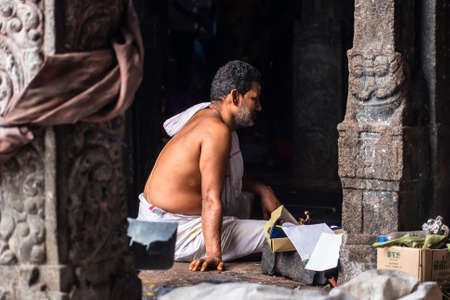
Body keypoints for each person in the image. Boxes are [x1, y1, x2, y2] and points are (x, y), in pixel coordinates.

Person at [137, 60, 281, 272]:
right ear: (234, 96)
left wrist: (261, 189)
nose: (259, 106)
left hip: (150, 225)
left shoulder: (202, 115)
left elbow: (219, 175)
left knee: (244, 199)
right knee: (281, 233)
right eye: (254, 99)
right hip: (172, 235)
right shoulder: (216, 130)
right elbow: (210, 198)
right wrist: (214, 254)